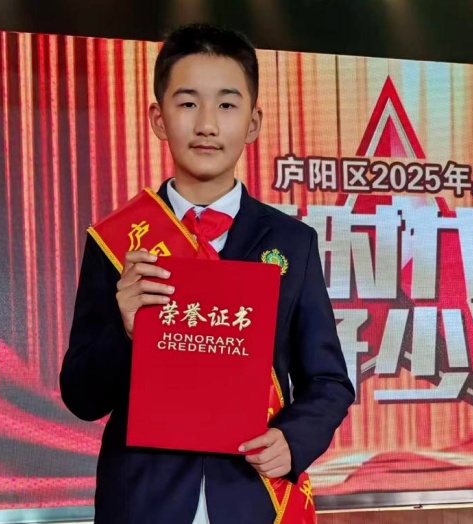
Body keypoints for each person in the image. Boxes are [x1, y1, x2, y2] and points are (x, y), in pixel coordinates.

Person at [60, 23, 354, 524]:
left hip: (252, 497)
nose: (207, 125)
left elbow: (328, 380)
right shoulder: (118, 241)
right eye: (188, 103)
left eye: (227, 104)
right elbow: (81, 396)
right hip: (142, 501)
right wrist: (124, 330)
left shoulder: (293, 243)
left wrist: (292, 439)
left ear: (253, 122)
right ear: (158, 118)